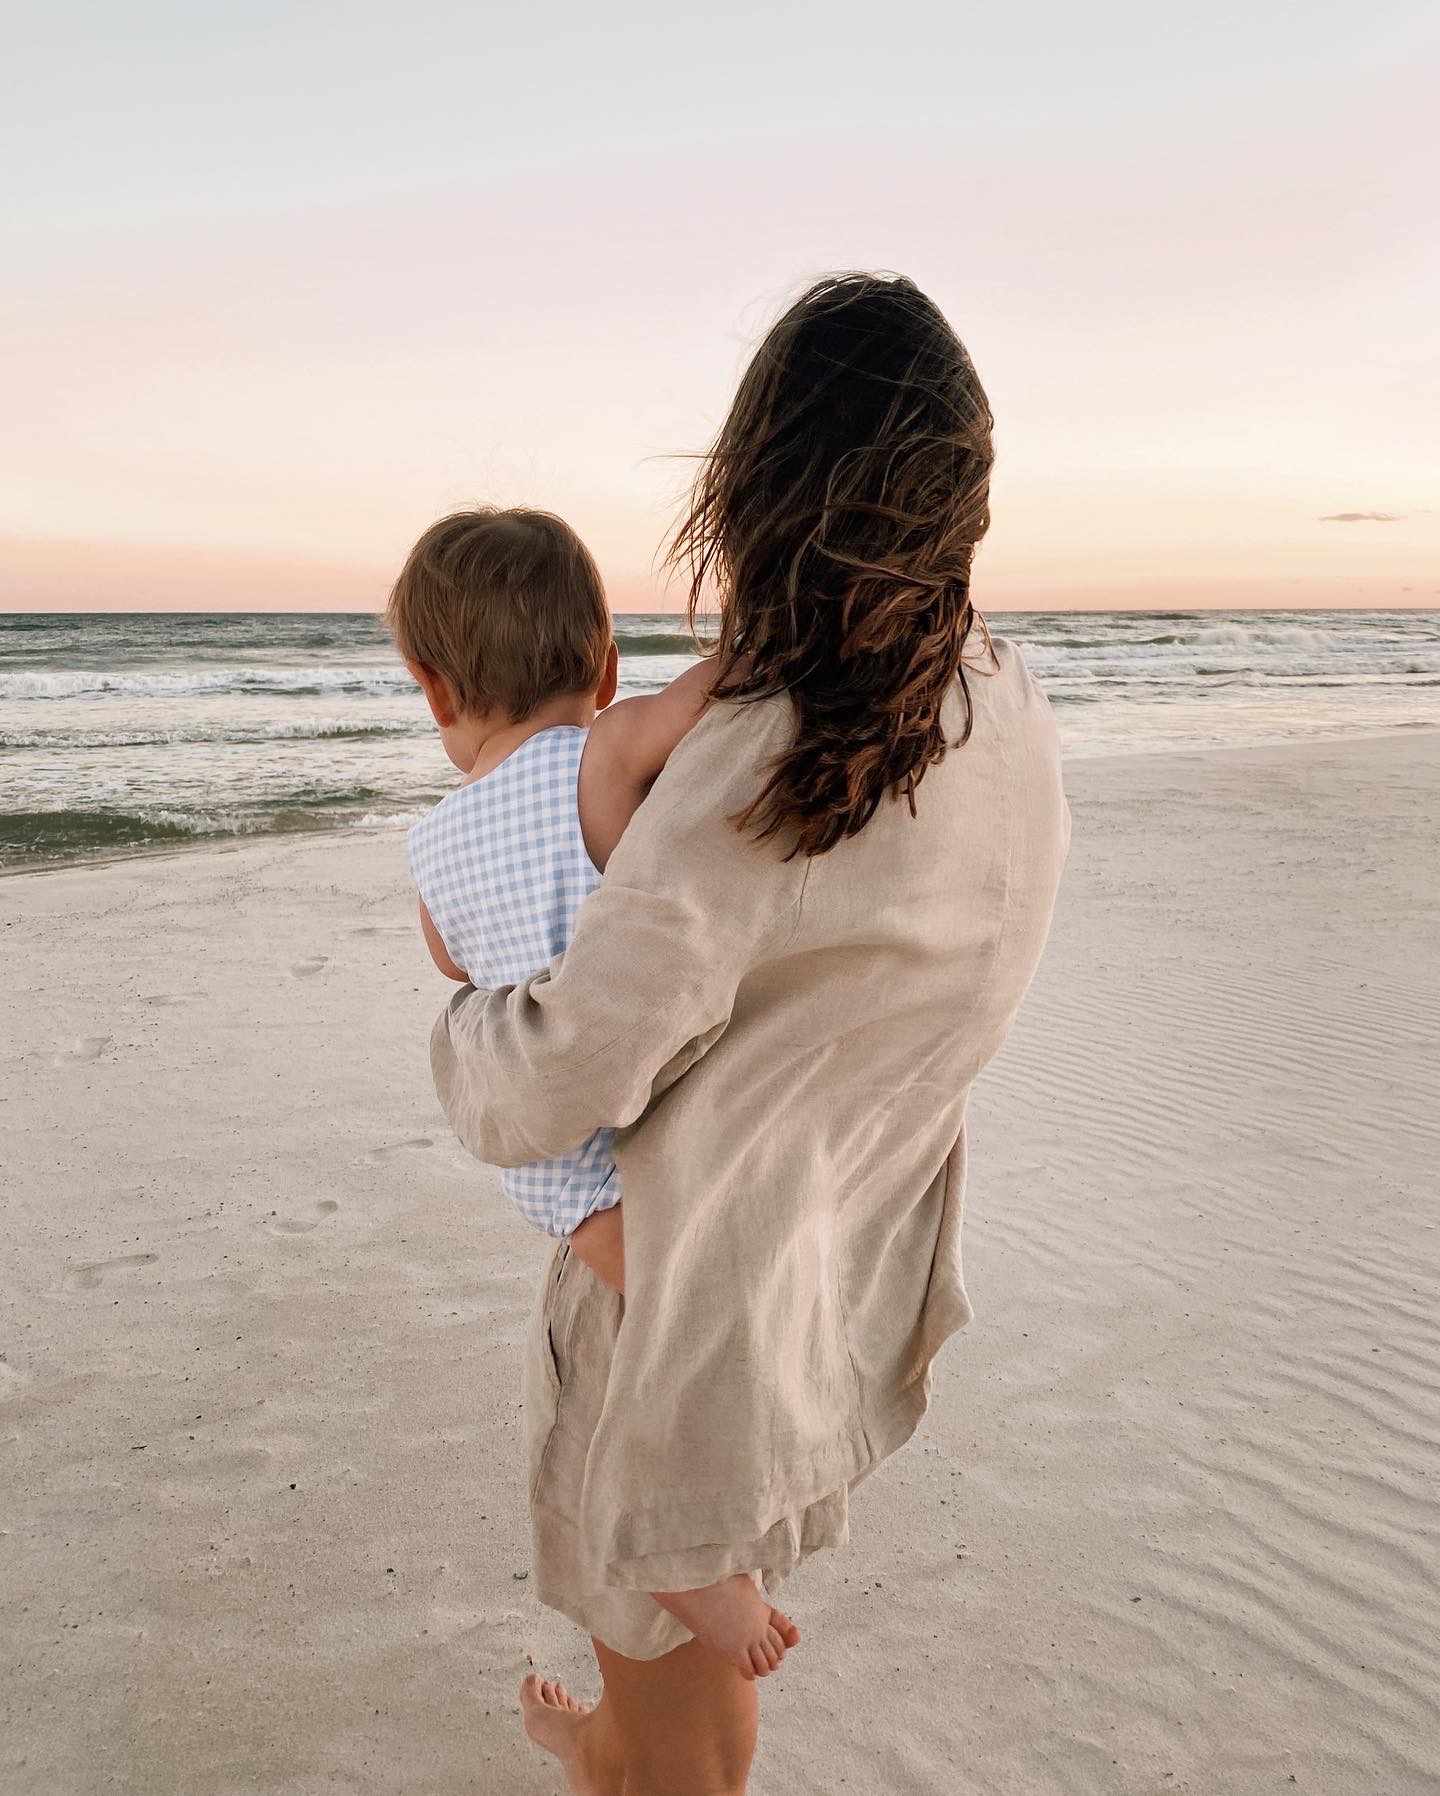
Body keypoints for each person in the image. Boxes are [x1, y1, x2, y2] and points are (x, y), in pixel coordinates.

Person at [428, 273, 1070, 1795]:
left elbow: (562, 1075)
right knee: (673, 1675)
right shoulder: (1006, 708)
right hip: (828, 1271)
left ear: (760, 483)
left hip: (684, 1305)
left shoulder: (759, 754)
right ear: (958, 497)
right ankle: (603, 1747)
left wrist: (457, 1026)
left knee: (674, 1717)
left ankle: (614, 1760)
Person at [388, 506, 799, 1680]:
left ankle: (676, 1545)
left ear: (431, 687)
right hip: (642, 1136)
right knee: (696, 1353)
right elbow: (723, 689)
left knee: (656, 1346)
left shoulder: (431, 845)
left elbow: (455, 963)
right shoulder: (611, 752)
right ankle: (680, 1551)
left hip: (553, 1174)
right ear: (604, 663)